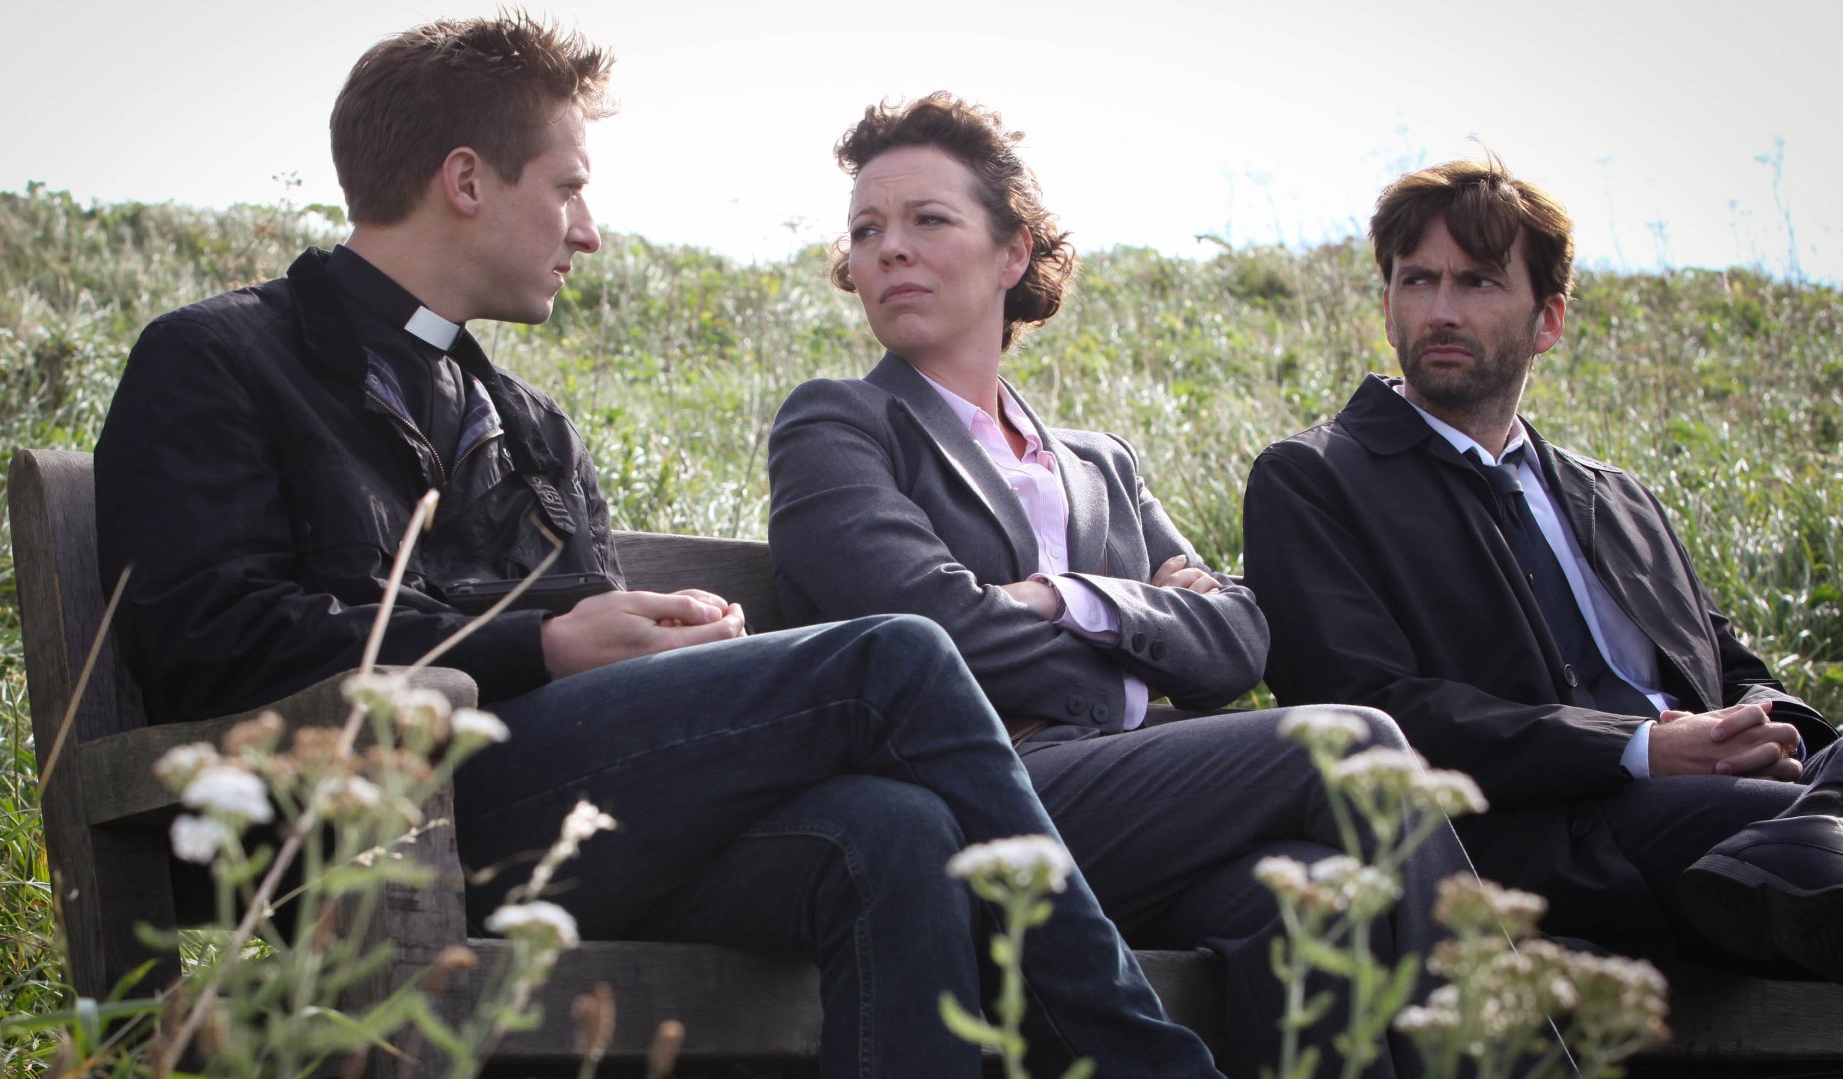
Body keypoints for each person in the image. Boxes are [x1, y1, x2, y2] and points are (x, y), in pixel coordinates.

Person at [91, 16, 1224, 1078]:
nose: (589, 229)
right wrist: (542, 643)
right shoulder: (219, 358)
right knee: (896, 653)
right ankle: (1142, 1052)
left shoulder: (531, 422)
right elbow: (208, 641)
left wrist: (665, 644)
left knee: (895, 826)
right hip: (376, 821)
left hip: (573, 816)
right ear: (468, 180)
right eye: (570, 189)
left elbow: (591, 652)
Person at [766, 94, 1475, 1079]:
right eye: (866, 230)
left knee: (1311, 893)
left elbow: (1236, 641)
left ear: (1013, 252)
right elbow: (935, 628)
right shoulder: (838, 425)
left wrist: (1071, 597)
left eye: (928, 220)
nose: (889, 250)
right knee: (1353, 745)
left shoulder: (1102, 465)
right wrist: (1138, 629)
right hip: (969, 803)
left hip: (1129, 814)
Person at [1241, 154, 1843, 979]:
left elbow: (1733, 665)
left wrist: (1769, 732)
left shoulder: (1617, 498)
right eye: (1417, 282)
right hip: (1548, 841)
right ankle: (1805, 843)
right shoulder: (1314, 478)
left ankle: (1804, 840)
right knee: (1795, 833)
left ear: (1548, 320)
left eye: (1479, 283)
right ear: (1388, 307)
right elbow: (1369, 711)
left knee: (1810, 795)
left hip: (1732, 813)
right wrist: (1640, 747)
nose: (1440, 310)